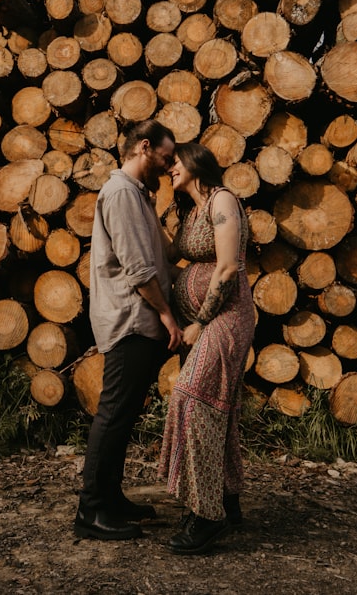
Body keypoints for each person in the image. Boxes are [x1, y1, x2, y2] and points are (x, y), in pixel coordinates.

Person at [74, 120, 184, 541]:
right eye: (166, 156)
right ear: (144, 147)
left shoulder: (137, 194)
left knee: (124, 414)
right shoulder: (120, 193)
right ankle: (91, 511)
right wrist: (167, 315)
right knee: (114, 412)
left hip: (139, 318)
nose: (170, 164)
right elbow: (138, 268)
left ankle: (111, 498)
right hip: (131, 319)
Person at [158, 142, 255, 555]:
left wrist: (200, 320)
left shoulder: (223, 200)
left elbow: (229, 265)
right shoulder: (192, 210)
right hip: (201, 321)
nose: (169, 170)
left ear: (196, 162)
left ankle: (206, 517)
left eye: (174, 163)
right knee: (218, 407)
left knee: (191, 400)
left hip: (225, 317)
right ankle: (226, 500)